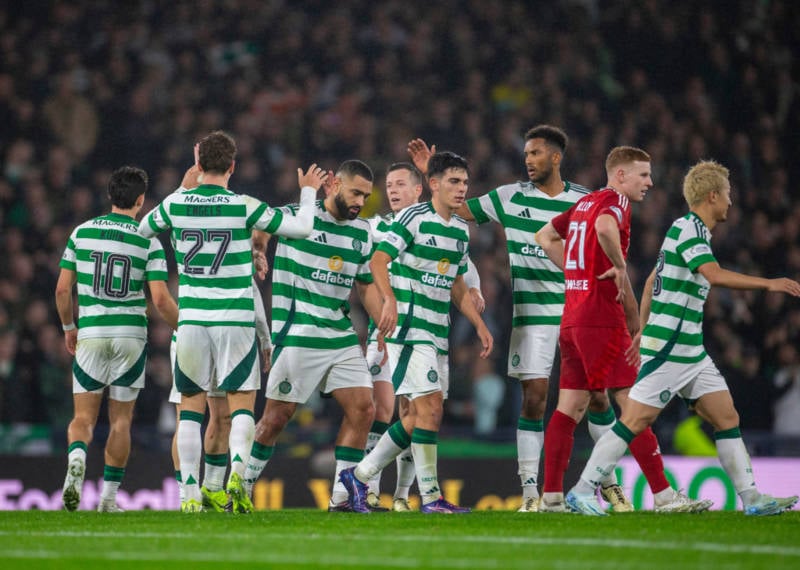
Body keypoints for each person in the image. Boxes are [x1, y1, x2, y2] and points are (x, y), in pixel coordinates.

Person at [409, 126, 632, 513]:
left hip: (580, 311)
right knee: (534, 399)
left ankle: (606, 484)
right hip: (532, 315)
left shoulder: (584, 200)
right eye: (526, 154)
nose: (528, 160)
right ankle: (531, 492)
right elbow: (460, 208)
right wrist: (435, 175)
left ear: (556, 157)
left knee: (598, 397)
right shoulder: (509, 197)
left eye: (536, 154)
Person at [565, 160, 800, 516]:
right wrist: (769, 283)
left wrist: (642, 328)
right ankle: (581, 491)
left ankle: (752, 499)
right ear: (712, 196)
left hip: (690, 350)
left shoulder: (689, 231)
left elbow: (648, 283)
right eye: (728, 195)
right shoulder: (688, 228)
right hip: (671, 348)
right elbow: (712, 274)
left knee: (727, 417)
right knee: (633, 421)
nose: (731, 203)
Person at [139, 130, 321, 513]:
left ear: (199, 165)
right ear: (233, 167)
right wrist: (307, 191)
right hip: (236, 319)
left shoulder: (176, 205)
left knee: (191, 407)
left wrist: (180, 190)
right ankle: (237, 475)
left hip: (191, 320)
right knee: (241, 407)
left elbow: (142, 231)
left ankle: (189, 496)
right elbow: (302, 227)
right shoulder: (244, 206)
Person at [535, 146, 713, 513]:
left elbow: (543, 237)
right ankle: (663, 494)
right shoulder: (615, 202)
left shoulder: (585, 203)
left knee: (569, 407)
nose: (649, 182)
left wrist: (575, 274)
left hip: (572, 318)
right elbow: (603, 228)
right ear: (620, 175)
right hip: (600, 318)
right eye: (643, 175)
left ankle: (551, 496)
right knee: (635, 405)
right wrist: (619, 268)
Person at [340, 151, 493, 514]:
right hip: (410, 328)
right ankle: (430, 497)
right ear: (434, 185)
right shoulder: (412, 218)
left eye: (465, 183)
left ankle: (359, 476)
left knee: (416, 416)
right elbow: (379, 260)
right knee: (429, 408)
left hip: (437, 329)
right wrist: (388, 300)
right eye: (454, 182)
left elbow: (456, 282)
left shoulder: (459, 229)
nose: (462, 189)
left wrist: (479, 323)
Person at [241, 159, 386, 512]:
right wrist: (259, 249)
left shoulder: (362, 231)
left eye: (365, 196)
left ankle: (342, 497)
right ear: (333, 184)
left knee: (364, 409)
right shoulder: (299, 216)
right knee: (276, 418)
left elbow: (364, 285)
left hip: (339, 334)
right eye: (355, 192)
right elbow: (262, 227)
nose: (359, 202)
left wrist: (382, 321)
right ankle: (240, 489)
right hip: (298, 333)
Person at [56, 166, 178, 512]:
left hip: (91, 331)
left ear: (110, 196)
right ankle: (108, 499)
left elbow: (63, 289)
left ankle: (76, 461)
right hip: (130, 336)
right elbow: (160, 300)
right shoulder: (148, 239)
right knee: (121, 420)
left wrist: (68, 327)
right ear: (141, 200)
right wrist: (185, 326)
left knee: (82, 419)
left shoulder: (82, 233)